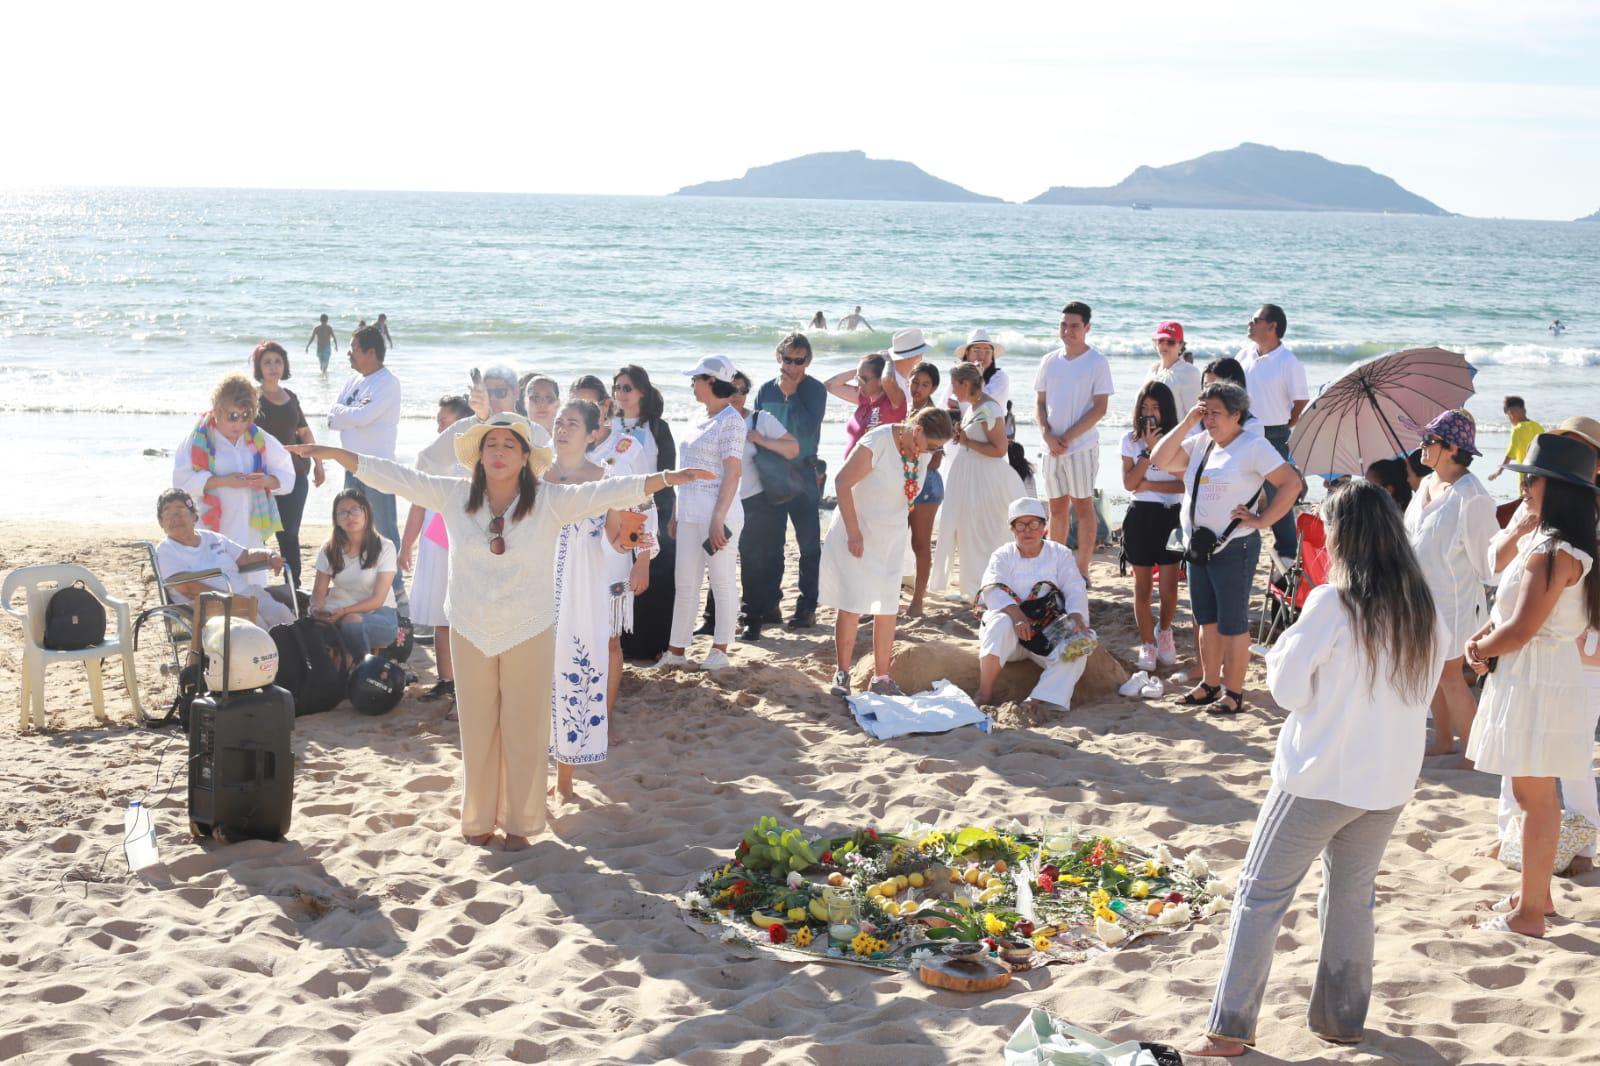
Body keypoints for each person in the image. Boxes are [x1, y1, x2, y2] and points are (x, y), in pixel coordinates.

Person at [288, 414, 710, 848]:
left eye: (510, 445)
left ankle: (521, 824)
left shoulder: (549, 500)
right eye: (492, 445)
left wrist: (668, 478)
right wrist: (337, 454)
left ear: (526, 457)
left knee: (525, 729)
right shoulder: (453, 494)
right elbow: (396, 477)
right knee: (477, 728)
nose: (500, 452)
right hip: (470, 627)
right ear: (480, 455)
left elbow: (606, 492)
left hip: (530, 628)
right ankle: (478, 820)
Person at [1185, 481, 1447, 1058]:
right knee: (1352, 896)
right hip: (1388, 780)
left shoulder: (1333, 601)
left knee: (1260, 895)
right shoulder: (1424, 609)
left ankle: (1229, 1029)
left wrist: (1280, 649)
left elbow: (1285, 692)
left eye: (1329, 527)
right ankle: (1342, 1019)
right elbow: (1422, 692)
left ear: (1345, 537)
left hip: (1322, 774)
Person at [1466, 434, 1600, 938]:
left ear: (1558, 488)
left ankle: (1528, 917)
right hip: (1540, 672)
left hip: (1538, 676)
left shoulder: (1554, 550)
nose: (1524, 485)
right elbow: (1515, 617)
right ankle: (1536, 896)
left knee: (1536, 796)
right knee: (1534, 792)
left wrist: (1479, 650)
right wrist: (1487, 637)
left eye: (1533, 478)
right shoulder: (1558, 543)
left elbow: (1523, 628)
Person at [1150, 383, 1299, 715]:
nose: (1210, 419)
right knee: (1206, 620)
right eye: (1206, 411)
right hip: (1198, 546)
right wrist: (1189, 420)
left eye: (1216, 413)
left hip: (1235, 545)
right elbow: (1159, 458)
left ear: (1237, 415)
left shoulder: (1253, 446)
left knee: (1233, 622)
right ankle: (1209, 683)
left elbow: (1292, 484)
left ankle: (1234, 692)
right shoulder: (1202, 442)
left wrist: (1264, 520)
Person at [819, 407, 953, 696]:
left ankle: (881, 677)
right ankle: (842, 673)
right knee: (852, 603)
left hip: (890, 537)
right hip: (858, 532)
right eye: (932, 445)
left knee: (887, 605)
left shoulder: (923, 452)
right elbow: (842, 483)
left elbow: (907, 495)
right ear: (917, 431)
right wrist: (854, 533)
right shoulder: (878, 442)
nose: (934, 452)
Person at [546, 399, 631, 799]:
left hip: (583, 592)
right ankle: (533, 774)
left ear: (593, 433)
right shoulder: (536, 474)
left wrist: (635, 538)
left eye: (573, 424)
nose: (562, 429)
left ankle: (564, 781)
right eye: (560, 422)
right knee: (536, 677)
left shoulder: (604, 480)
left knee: (572, 674)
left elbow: (617, 537)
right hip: (538, 586)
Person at [1403, 410, 1498, 760]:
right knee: (1429, 674)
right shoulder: (1427, 483)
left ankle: (1474, 755)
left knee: (1449, 676)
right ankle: (1444, 741)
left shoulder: (1472, 495)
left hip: (1455, 600)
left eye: (1429, 440)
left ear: (1453, 448)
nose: (1421, 446)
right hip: (1419, 598)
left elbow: (1487, 562)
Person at [569, 376, 658, 711]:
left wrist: (644, 560)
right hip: (570, 556)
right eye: (577, 405)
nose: (585, 413)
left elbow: (647, 505)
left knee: (609, 639)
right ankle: (574, 711)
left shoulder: (628, 448)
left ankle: (603, 718)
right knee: (570, 636)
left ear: (606, 406)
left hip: (614, 555)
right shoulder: (559, 450)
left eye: (592, 404)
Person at [657, 356, 747, 671]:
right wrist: (676, 514)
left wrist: (717, 518)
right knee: (685, 582)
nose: (692, 384)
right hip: (690, 512)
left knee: (721, 581)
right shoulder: (698, 415)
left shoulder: (732, 420)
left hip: (718, 515)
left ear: (711, 381)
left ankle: (720, 650)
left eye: (696, 378)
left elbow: (733, 474)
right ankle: (676, 652)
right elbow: (687, 471)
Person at [173, 372, 295, 592]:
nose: (239, 423)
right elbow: (181, 482)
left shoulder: (258, 438)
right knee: (218, 589)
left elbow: (287, 474)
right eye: (232, 416)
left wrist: (266, 481)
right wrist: (222, 481)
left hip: (250, 528)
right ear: (217, 410)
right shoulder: (198, 439)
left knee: (254, 588)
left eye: (246, 415)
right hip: (212, 525)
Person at [973, 498, 1092, 715]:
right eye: (1021, 525)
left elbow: (1075, 587)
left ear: (1044, 527)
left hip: (1047, 628)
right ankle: (984, 692)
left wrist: (1076, 615)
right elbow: (992, 589)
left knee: (1078, 647)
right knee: (999, 620)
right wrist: (1018, 616)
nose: (1027, 531)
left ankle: (1038, 699)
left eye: (1034, 524)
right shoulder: (1003, 554)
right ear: (1012, 529)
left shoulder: (1060, 553)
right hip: (1010, 634)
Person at [708, 370, 798, 641]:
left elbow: (792, 448)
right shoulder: (712, 421)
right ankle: (711, 619)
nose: (736, 396)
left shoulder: (759, 419)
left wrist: (761, 440)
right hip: (720, 501)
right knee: (715, 555)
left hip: (754, 500)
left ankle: (752, 620)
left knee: (752, 561)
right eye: (730, 390)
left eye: (742, 390)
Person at [399, 394, 475, 703]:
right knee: (439, 611)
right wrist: (407, 544)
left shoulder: (475, 457)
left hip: (465, 538)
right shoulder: (432, 459)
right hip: (435, 536)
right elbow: (418, 503)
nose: (439, 426)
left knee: (464, 613)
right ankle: (446, 680)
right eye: (438, 421)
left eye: (445, 421)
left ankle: (468, 680)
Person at [751, 333, 828, 630]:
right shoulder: (765, 390)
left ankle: (807, 608)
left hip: (804, 474)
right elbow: (756, 429)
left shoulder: (814, 390)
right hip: (770, 475)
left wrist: (792, 394)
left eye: (799, 360)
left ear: (808, 360)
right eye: (787, 359)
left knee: (808, 545)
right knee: (771, 544)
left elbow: (807, 431)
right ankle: (771, 606)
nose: (793, 366)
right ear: (778, 357)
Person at [932, 362, 1026, 601]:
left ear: (966, 383)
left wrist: (966, 442)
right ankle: (972, 586)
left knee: (983, 533)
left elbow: (999, 449)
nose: (953, 391)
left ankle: (987, 588)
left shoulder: (989, 408)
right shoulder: (974, 407)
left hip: (985, 480)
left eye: (955, 385)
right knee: (967, 532)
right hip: (970, 476)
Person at [1034, 301, 1114, 578]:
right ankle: (1057, 566)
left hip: (1081, 447)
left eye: (1075, 326)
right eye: (1064, 324)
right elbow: (1040, 402)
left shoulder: (1097, 362)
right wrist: (1046, 433)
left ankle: (1081, 568)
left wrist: (1067, 436)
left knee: (1082, 505)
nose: (1068, 330)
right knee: (1056, 507)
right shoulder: (1049, 360)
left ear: (1087, 328)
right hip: (1051, 447)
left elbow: (1100, 408)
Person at [328, 324, 404, 600]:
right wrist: (351, 415)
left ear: (371, 352)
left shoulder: (387, 382)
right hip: (351, 466)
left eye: (354, 348)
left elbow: (363, 417)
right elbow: (333, 416)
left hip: (378, 468)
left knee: (384, 528)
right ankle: (360, 584)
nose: (349, 353)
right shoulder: (354, 381)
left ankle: (396, 590)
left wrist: (350, 415)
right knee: (351, 526)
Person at [154, 488, 293, 629]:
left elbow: (245, 556)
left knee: (282, 615)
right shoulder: (166, 549)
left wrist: (269, 555)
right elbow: (187, 587)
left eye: (181, 510)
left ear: (194, 516)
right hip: (212, 606)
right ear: (161, 523)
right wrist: (228, 599)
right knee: (256, 625)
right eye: (167, 513)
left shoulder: (212, 537)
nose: (175, 517)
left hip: (246, 594)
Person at [613, 365, 679, 660]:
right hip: (614, 512)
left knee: (656, 576)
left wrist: (666, 514)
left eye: (627, 388)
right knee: (621, 576)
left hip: (653, 509)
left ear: (642, 391)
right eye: (617, 388)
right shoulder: (607, 424)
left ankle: (654, 645)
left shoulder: (657, 427)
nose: (621, 394)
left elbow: (668, 472)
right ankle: (622, 643)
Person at [1120, 381, 1184, 672]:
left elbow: (1182, 484)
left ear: (1166, 410)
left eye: (1155, 408)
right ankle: (1147, 643)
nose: (1149, 413)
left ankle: (1165, 631)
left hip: (1171, 516)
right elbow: (1130, 485)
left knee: (1169, 588)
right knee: (1142, 588)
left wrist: (1148, 480)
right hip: (1140, 516)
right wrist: (1147, 452)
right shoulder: (1130, 441)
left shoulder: (1179, 440)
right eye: (1144, 407)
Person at [1237, 303, 1308, 567]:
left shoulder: (1288, 361)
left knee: (1277, 493)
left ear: (1272, 326)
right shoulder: (1244, 354)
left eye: (1254, 319)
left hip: (1273, 433)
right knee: (1240, 486)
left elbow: (1300, 402)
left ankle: (1288, 550)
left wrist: (1285, 424)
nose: (1249, 323)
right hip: (1242, 429)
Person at [251, 341, 326, 587]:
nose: (273, 367)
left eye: (278, 361)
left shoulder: (291, 396)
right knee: (257, 535)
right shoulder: (252, 398)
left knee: (289, 535)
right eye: (267, 362)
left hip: (295, 475)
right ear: (259, 367)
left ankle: (292, 588)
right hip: (261, 478)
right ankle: (256, 585)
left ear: (285, 365)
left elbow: (304, 432)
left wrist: (319, 463)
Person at [311, 489, 400, 660]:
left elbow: (378, 599)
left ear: (366, 512)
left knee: (351, 622)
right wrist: (316, 609)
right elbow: (319, 592)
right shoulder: (329, 548)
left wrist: (345, 611)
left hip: (380, 615)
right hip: (337, 611)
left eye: (355, 510)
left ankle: (363, 672)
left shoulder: (385, 546)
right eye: (342, 513)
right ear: (336, 520)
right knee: (310, 628)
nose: (349, 516)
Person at [828, 328, 931, 455]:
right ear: (917, 356)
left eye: (862, 379)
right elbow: (830, 386)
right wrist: (864, 369)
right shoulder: (871, 390)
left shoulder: (897, 385)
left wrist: (884, 363)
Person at [906, 363, 944, 616]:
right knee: (896, 541)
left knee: (920, 543)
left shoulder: (933, 415)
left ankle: (918, 602)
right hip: (905, 482)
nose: (918, 388)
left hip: (926, 485)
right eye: (915, 382)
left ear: (934, 388)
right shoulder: (903, 408)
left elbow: (937, 459)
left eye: (925, 384)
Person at [952, 327, 1011, 413]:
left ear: (992, 357)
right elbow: (945, 403)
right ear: (967, 354)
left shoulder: (1000, 377)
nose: (982, 355)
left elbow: (984, 404)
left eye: (987, 351)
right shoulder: (958, 376)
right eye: (976, 350)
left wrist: (977, 375)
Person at [1147, 321, 1202, 414]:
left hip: (1176, 428)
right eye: (1160, 341)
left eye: (1170, 342)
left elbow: (1195, 415)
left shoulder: (1189, 372)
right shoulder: (1153, 369)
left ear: (1181, 345)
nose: (1164, 345)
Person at [1489, 395, 1544, 484]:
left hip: (1524, 472)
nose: (1510, 417)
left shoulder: (1517, 430)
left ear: (1511, 414)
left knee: (1524, 495)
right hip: (1539, 472)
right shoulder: (1538, 426)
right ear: (1524, 410)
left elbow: (1510, 453)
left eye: (1509, 415)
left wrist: (1499, 471)